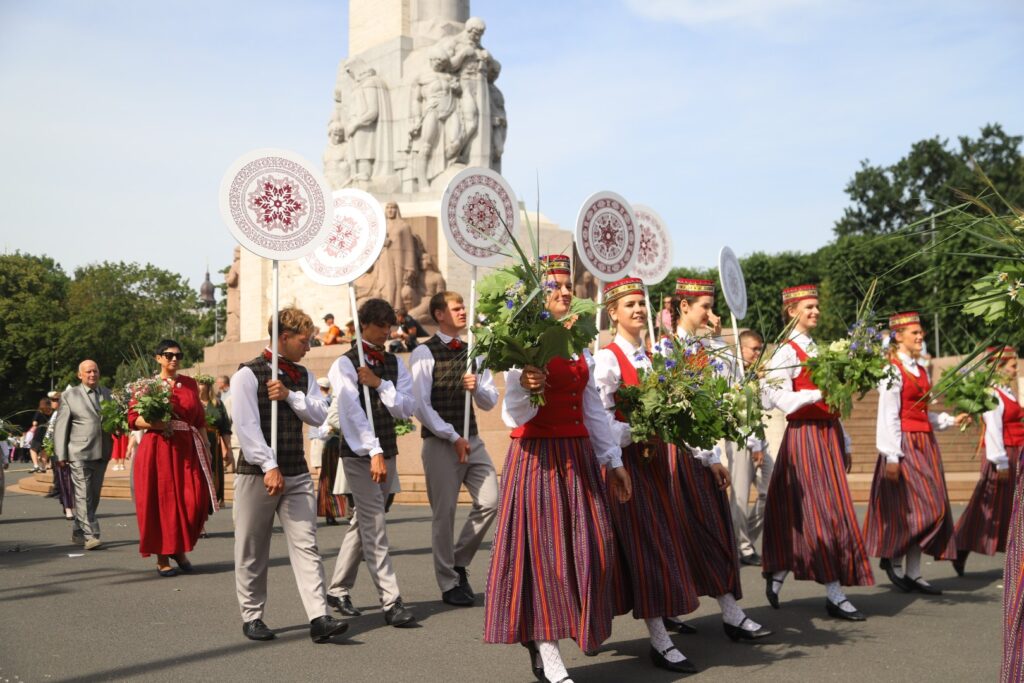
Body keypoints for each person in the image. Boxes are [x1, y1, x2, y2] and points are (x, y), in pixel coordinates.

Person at [484, 255, 632, 683]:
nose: (566, 292)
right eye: (555, 287)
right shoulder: (522, 344)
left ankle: (556, 634)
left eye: (568, 286)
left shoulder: (582, 342)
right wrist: (529, 385)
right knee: (548, 556)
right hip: (539, 460)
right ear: (537, 296)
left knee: (596, 547)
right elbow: (513, 416)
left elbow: (592, 409)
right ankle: (548, 649)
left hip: (579, 457)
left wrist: (614, 460)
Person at [593, 278, 702, 674]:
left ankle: (609, 624)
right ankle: (659, 640)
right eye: (629, 304)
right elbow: (601, 420)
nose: (638, 309)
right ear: (613, 313)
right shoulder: (607, 359)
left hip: (654, 463)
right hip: (625, 465)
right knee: (642, 547)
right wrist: (637, 430)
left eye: (642, 303)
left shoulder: (654, 357)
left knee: (651, 544)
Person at [230, 308, 349, 644]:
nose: (309, 346)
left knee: (306, 544)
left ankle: (318, 616)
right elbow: (247, 426)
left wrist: (289, 395)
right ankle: (252, 615)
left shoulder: (302, 375)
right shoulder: (247, 374)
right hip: (257, 472)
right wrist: (268, 465)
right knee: (252, 547)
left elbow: (319, 414)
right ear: (283, 337)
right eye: (303, 339)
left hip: (296, 471)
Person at [761, 284, 874, 620]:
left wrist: (847, 441)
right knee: (823, 514)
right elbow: (773, 396)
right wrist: (812, 395)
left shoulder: (818, 348)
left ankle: (782, 570)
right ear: (792, 310)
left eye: (816, 307)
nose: (815, 312)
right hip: (805, 436)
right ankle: (833, 592)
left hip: (827, 435)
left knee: (825, 511)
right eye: (808, 307)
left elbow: (835, 400)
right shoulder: (787, 350)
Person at [670, 278, 772, 642]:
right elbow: (681, 415)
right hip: (679, 455)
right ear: (683, 307)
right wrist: (707, 455)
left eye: (713, 307)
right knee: (687, 534)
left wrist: (717, 339)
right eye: (704, 307)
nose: (711, 315)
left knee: (712, 532)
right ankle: (678, 609)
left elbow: (729, 384)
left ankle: (730, 611)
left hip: (700, 452)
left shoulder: (705, 345)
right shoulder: (668, 348)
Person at [325, 298, 417, 627]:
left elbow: (406, 407)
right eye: (380, 325)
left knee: (362, 522)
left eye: (389, 326)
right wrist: (373, 450)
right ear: (364, 324)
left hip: (387, 450)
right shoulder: (344, 364)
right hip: (359, 454)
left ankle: (336, 589)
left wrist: (379, 384)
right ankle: (391, 601)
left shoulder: (393, 363)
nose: (386, 332)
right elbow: (350, 412)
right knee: (374, 524)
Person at [410, 291, 499, 607]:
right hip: (441, 444)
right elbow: (421, 406)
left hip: (472, 439)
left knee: (491, 500)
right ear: (439, 314)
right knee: (444, 515)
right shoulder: (424, 353)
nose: (464, 311)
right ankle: (448, 583)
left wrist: (478, 389)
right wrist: (452, 436)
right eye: (456, 307)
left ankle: (458, 561)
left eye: (464, 306)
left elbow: (489, 400)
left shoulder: (474, 350)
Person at [864, 312, 960, 594]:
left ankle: (913, 573)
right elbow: (889, 415)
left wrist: (951, 420)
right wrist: (892, 456)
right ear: (898, 336)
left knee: (930, 506)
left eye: (921, 333)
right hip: (904, 444)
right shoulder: (892, 369)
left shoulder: (919, 369)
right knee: (925, 508)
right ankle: (893, 556)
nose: (920, 337)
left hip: (925, 443)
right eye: (914, 333)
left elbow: (921, 412)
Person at [130, 340, 218, 577]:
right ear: (158, 358)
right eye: (168, 355)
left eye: (178, 355)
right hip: (158, 448)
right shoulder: (147, 386)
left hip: (188, 448)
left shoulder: (189, 384)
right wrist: (157, 423)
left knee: (195, 501)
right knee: (162, 502)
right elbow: (133, 418)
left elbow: (199, 419)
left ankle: (177, 548)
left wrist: (207, 448)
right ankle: (163, 556)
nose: (174, 359)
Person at [953, 346, 1022, 575]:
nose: (1015, 370)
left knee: (1010, 507)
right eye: (1012, 366)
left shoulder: (1007, 392)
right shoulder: (992, 394)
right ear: (1000, 368)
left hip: (1016, 452)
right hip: (1003, 455)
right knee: (989, 505)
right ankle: (962, 544)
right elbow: (994, 429)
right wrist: (1001, 462)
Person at [52, 360, 112, 550]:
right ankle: (91, 535)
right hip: (79, 452)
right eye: (88, 372)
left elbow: (112, 419)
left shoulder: (107, 394)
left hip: (102, 452)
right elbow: (61, 428)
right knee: (83, 493)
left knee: (93, 496)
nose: (92, 374)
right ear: (80, 375)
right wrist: (60, 455)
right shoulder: (70, 396)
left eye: (95, 371)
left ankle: (78, 530)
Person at [727, 329, 775, 566]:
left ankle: (743, 538)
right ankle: (742, 547)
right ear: (742, 348)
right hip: (740, 438)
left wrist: (763, 380)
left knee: (771, 488)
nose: (757, 354)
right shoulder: (734, 372)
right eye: (754, 349)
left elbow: (766, 406)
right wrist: (754, 444)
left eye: (759, 350)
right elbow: (739, 413)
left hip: (758, 437)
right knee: (741, 494)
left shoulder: (756, 374)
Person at [311, 377, 346, 526]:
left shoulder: (337, 402)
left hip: (342, 446)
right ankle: (330, 512)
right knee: (328, 480)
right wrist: (333, 429)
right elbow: (323, 431)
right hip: (332, 447)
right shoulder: (328, 404)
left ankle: (348, 511)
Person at [197, 376, 232, 508]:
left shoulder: (217, 403)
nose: (200, 387)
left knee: (215, 470)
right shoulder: (194, 403)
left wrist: (227, 449)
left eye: (202, 384)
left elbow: (225, 428)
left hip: (214, 441)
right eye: (198, 384)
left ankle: (213, 498)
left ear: (208, 386)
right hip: (198, 440)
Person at [28, 397, 53, 473]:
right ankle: (43, 467)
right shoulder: (52, 412)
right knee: (44, 449)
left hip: (40, 431)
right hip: (49, 431)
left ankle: (36, 466)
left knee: (33, 449)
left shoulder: (39, 412)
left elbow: (34, 423)